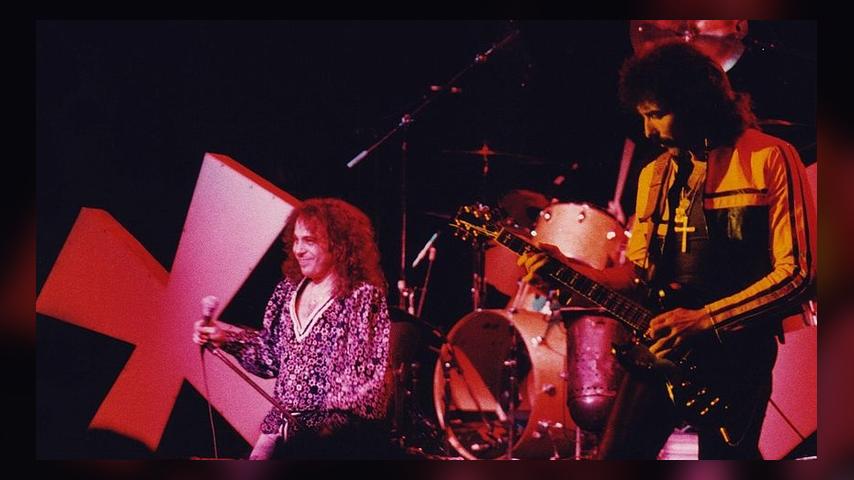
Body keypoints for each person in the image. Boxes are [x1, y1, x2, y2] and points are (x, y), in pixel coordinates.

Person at [518, 41, 815, 459]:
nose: (648, 131)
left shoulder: (771, 157)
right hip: (659, 352)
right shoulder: (654, 174)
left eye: (657, 115)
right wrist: (567, 268)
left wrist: (704, 320)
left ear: (699, 103)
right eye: (644, 116)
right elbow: (637, 277)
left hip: (738, 359)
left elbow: (798, 275)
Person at [193, 198, 392, 459]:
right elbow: (269, 357)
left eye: (309, 240)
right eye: (296, 240)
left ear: (339, 245)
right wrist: (224, 337)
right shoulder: (287, 291)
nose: (299, 250)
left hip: (331, 440)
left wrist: (316, 432)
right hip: (281, 427)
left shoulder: (361, 297)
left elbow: (365, 382)